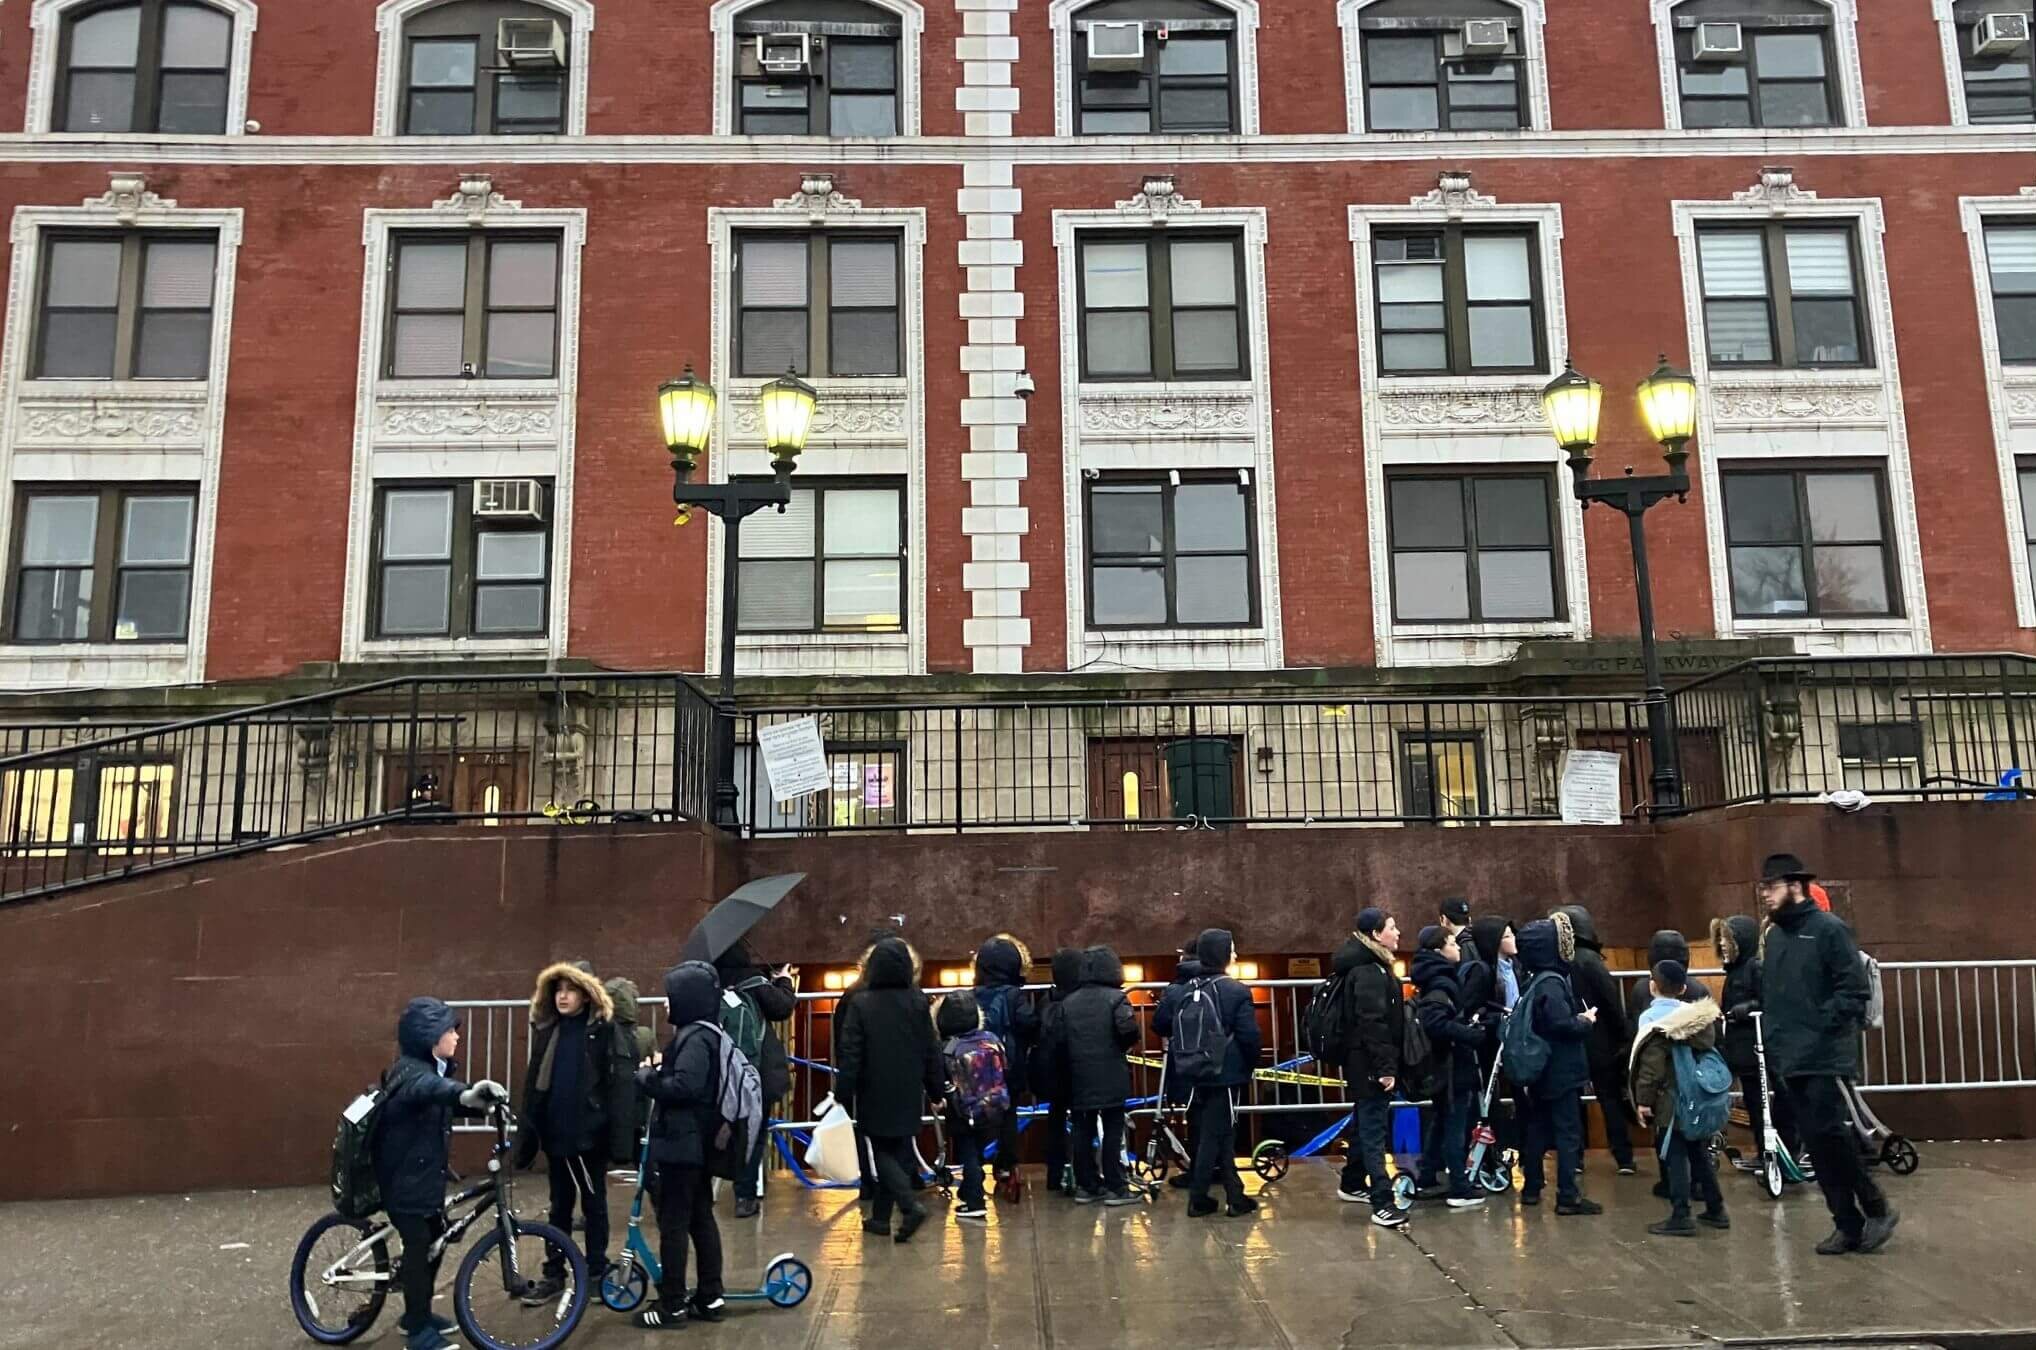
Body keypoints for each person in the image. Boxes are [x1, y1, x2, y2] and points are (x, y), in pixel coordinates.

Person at [1757, 853, 1897, 1255]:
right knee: (1817, 1145)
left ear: (1796, 886)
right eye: (1764, 887)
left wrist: (1820, 1025)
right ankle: (1846, 1223)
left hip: (1824, 1054)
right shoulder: (1776, 937)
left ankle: (1875, 1207)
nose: (1766, 894)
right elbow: (1779, 992)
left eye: (1773, 886)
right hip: (1790, 1056)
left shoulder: (1829, 931)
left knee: (1832, 1138)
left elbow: (1853, 992)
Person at [372, 998, 507, 1350]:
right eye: (449, 1031)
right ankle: (417, 1333)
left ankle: (416, 1314)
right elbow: (433, 1091)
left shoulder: (433, 1069)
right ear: (429, 1037)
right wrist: (467, 1093)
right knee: (419, 1247)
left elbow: (443, 1099)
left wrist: (485, 1107)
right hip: (404, 1181)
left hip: (421, 1177)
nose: (456, 1037)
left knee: (435, 1240)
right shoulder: (413, 1073)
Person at [514, 962, 636, 1294]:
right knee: (559, 1207)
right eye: (558, 990)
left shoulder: (601, 1031)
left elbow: (617, 1087)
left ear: (586, 994)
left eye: (570, 990)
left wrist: (613, 1135)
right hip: (556, 1136)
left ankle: (596, 1271)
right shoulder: (549, 1031)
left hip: (587, 1138)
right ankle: (555, 1273)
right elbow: (534, 1085)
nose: (563, 996)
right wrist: (529, 1134)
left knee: (593, 1204)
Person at [836, 936, 949, 1243]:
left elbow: (851, 1052)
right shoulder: (916, 1000)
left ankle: (910, 1205)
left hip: (874, 1088)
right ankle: (881, 1220)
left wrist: (843, 1091)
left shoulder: (861, 1002)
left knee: (881, 1150)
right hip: (909, 1088)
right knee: (898, 1150)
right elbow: (931, 1048)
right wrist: (936, 1089)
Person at [634, 961, 728, 1330]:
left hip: (680, 1146)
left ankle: (672, 1304)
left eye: (671, 998)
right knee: (701, 1219)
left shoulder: (694, 1038)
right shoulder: (705, 1033)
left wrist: (647, 1078)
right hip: (695, 1146)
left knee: (674, 1225)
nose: (667, 1005)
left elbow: (685, 1088)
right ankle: (710, 1295)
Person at [1629, 959, 1728, 1237]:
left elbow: (1651, 1066)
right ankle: (1716, 1209)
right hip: (1695, 1095)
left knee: (1674, 1155)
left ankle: (1681, 1214)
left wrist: (1643, 1100)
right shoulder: (1696, 1018)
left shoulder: (1651, 1021)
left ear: (1652, 986)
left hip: (1669, 1099)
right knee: (1698, 1153)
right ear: (1684, 988)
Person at [1513, 914, 1602, 1215]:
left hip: (1540, 1069)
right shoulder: (1552, 982)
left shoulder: (1533, 979)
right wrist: (1584, 1021)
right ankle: (1568, 1195)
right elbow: (1560, 1024)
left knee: (1538, 1128)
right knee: (1567, 1132)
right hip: (1561, 1069)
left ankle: (1532, 1187)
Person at [712, 940, 797, 1218]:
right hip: (757, 1074)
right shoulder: (754, 981)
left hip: (721, 1075)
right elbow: (783, 1007)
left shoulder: (708, 984)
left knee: (722, 1131)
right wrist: (784, 981)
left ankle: (709, 1186)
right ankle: (744, 1196)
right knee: (754, 1134)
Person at [1333, 907, 1407, 1228]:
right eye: (1392, 927)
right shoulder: (1369, 972)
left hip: (1363, 1061)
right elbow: (1373, 1024)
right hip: (1369, 1063)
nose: (1398, 932)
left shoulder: (1366, 967)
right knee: (1375, 1126)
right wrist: (1385, 1067)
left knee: (1366, 1120)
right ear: (1377, 935)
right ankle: (1382, 1201)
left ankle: (1351, 1181)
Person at [1184, 927, 1262, 1218]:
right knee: (1215, 1135)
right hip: (1225, 1072)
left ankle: (1234, 1193)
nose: (1235, 954)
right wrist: (1250, 1065)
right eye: (1231, 949)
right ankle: (1199, 1196)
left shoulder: (1188, 987)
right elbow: (1249, 1035)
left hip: (1195, 1070)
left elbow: (1164, 1021)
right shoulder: (1235, 990)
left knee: (1219, 1132)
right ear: (1222, 955)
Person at [1710, 913, 1800, 1165]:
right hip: (1744, 1049)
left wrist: (1747, 1009)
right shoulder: (1736, 971)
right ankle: (1766, 1152)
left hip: (1759, 1047)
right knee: (1755, 1105)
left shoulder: (1754, 968)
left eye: (1727, 940)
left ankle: (1782, 1150)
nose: (1723, 946)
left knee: (1768, 1102)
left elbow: (1771, 1001)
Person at [1055, 945, 1142, 1206]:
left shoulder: (1068, 1002)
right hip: (1111, 1074)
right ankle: (1116, 1186)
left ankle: (1087, 1185)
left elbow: (1060, 1040)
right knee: (1114, 1131)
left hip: (1078, 1076)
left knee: (1082, 1129)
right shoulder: (1117, 998)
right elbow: (1128, 1032)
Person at [1553, 905, 1637, 1175]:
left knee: (1572, 1102)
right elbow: (1610, 1001)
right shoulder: (1590, 960)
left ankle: (1574, 1158)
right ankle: (1623, 1157)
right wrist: (1623, 1034)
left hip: (1569, 1039)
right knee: (1609, 1098)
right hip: (1600, 1041)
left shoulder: (1556, 960)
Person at [1410, 926, 1488, 1210]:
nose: (1458, 947)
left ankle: (1428, 1176)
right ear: (1439, 950)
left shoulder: (1433, 979)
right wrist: (1470, 1033)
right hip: (1452, 1066)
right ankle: (1459, 1186)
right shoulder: (1442, 982)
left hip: (1442, 1066)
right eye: (1452, 943)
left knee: (1442, 1120)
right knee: (1455, 1125)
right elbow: (1436, 1022)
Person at [971, 933, 1039, 1199]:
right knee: (1008, 1120)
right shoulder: (1014, 996)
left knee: (976, 1121)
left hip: (976, 1071)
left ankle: (974, 1169)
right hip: (1008, 1069)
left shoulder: (973, 995)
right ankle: (1006, 1168)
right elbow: (1029, 1024)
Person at [936, 990, 1002, 1221]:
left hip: (962, 1111)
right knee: (980, 1151)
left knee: (968, 1153)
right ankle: (970, 1189)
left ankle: (974, 1201)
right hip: (994, 1107)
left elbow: (941, 1080)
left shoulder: (947, 1048)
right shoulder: (991, 1040)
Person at [1150, 941, 1206, 1190]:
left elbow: (1160, 1024)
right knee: (1218, 1117)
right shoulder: (1223, 985)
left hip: (1184, 1061)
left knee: (1194, 1116)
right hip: (1218, 1062)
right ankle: (1219, 1167)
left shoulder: (1175, 990)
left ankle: (1198, 1170)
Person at [1034, 946, 1085, 1196]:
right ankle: (1081, 1174)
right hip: (1076, 1071)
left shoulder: (1046, 1001)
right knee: (1080, 1122)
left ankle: (1054, 1175)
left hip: (1050, 1073)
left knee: (1055, 1121)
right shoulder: (1079, 1003)